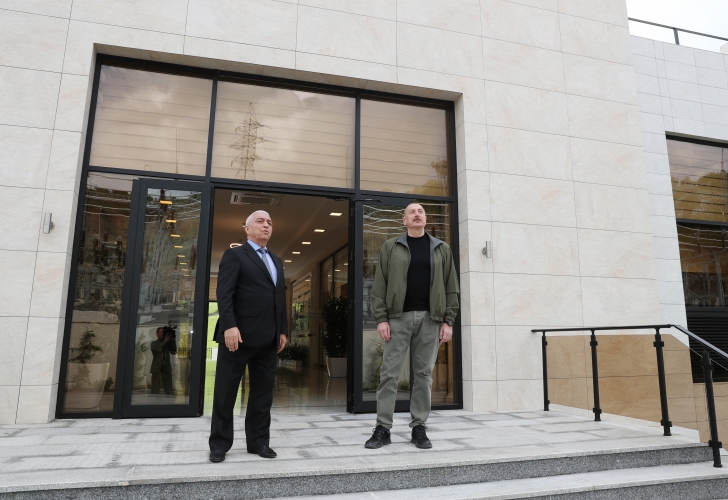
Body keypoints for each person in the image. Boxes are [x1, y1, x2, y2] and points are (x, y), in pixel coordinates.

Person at [365, 203, 459, 450]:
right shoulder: (391, 247)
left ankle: (419, 427)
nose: (417, 215)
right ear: (404, 220)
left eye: (421, 212)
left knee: (423, 375)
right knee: (389, 374)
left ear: (425, 219)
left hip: (431, 319)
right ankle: (383, 428)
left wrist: (449, 320)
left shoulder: (441, 249)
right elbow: (380, 285)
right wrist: (382, 318)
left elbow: (451, 287)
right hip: (398, 318)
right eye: (412, 212)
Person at [209, 210, 287, 462]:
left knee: (262, 395)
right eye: (260, 221)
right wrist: (229, 326)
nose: (266, 225)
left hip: (268, 338)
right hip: (238, 337)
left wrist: (283, 330)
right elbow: (224, 294)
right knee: (225, 393)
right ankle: (219, 444)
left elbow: (280, 298)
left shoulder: (276, 260)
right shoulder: (234, 255)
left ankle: (258, 442)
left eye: (269, 222)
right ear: (247, 228)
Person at [150, 326, 176, 395]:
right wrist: (165, 341)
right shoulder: (154, 343)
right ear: (157, 334)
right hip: (157, 369)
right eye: (161, 332)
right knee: (155, 389)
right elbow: (156, 349)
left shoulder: (167, 344)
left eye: (164, 332)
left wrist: (173, 341)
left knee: (169, 390)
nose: (163, 334)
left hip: (166, 369)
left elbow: (173, 352)